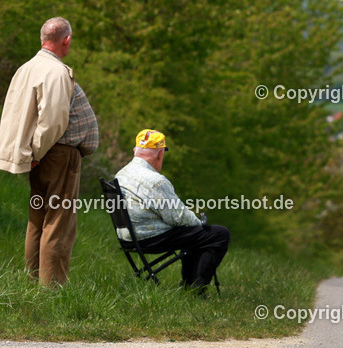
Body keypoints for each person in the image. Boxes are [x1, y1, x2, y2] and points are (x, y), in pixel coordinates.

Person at [0, 17, 99, 286]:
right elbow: (53, 119)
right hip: (56, 154)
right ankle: (51, 290)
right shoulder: (55, 71)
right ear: (66, 40)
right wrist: (38, 152)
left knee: (38, 218)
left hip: (41, 155)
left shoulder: (26, 68)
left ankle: (33, 283)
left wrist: (29, 154)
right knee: (58, 222)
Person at [115, 129, 230, 294]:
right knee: (218, 233)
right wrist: (200, 224)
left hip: (127, 236)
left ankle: (189, 285)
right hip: (148, 238)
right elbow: (179, 217)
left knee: (193, 234)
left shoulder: (121, 174)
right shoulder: (155, 180)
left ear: (135, 151)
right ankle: (195, 289)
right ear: (160, 154)